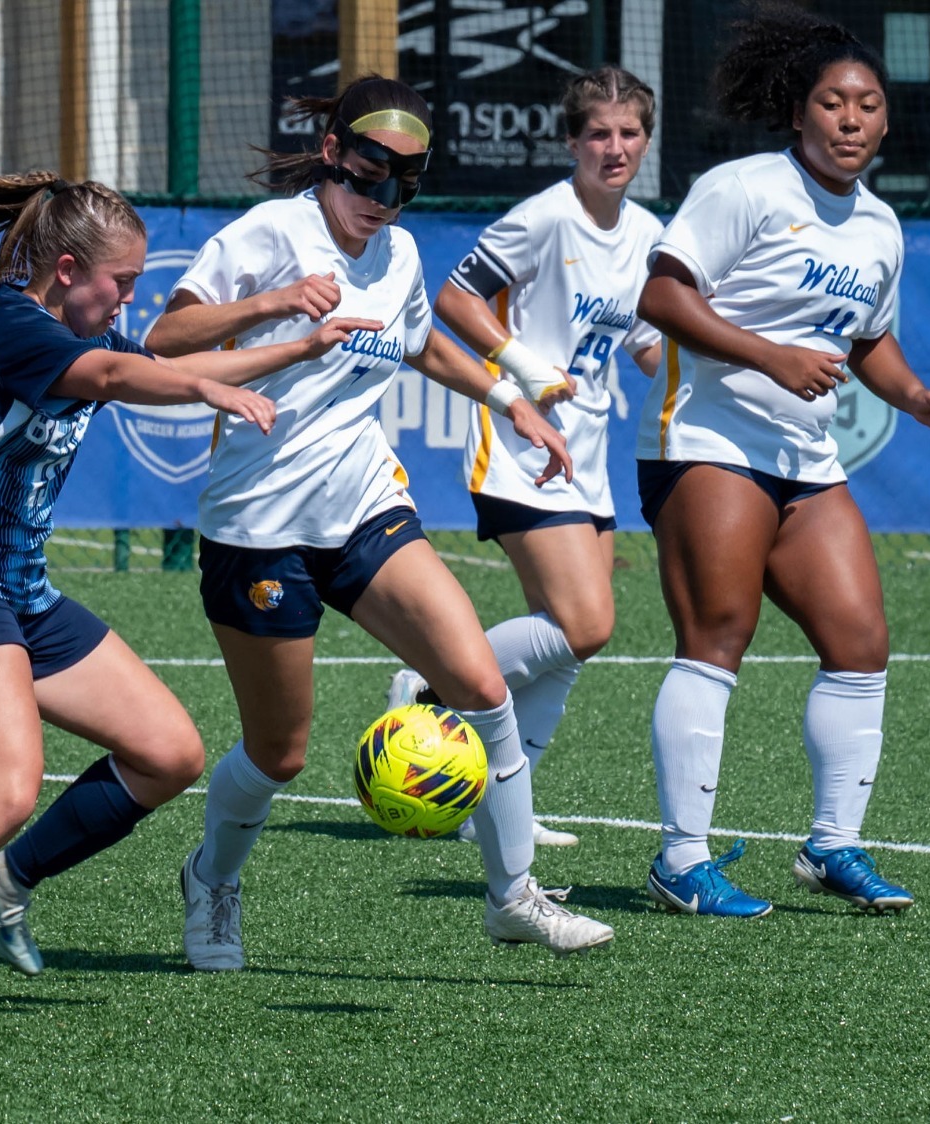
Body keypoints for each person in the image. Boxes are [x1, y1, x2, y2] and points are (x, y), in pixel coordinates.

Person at [0, 165, 378, 1025]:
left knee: (169, 753)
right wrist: (207, 385)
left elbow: (148, 355)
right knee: (7, 788)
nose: (128, 301)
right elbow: (130, 377)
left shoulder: (65, 328)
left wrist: (296, 342)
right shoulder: (15, 326)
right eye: (120, 283)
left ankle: (10, 881)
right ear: (69, 271)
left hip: (22, 595)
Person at [143, 76, 616, 970]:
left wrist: (508, 398)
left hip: (364, 505)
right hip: (258, 526)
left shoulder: (396, 252)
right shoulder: (268, 234)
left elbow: (420, 338)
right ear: (332, 152)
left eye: (402, 185)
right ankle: (212, 878)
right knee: (279, 754)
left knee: (482, 685)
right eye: (367, 175)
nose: (380, 199)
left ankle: (513, 897)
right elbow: (167, 339)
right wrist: (274, 303)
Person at [633, 3, 930, 918]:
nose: (850, 119)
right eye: (832, 103)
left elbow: (869, 343)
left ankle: (832, 847)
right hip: (708, 442)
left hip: (805, 459)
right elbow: (662, 297)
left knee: (860, 645)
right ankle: (681, 860)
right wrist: (770, 354)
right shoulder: (745, 189)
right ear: (799, 113)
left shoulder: (880, 227)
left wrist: (916, 397)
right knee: (717, 642)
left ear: (886, 119)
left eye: (866, 104)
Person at [393, 66, 668, 850]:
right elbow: (453, 299)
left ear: (646, 140)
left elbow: (644, 346)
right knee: (587, 624)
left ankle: (500, 808)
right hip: (519, 448)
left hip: (588, 456)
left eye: (629, 133)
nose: (614, 148)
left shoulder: (648, 234)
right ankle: (430, 684)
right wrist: (519, 362)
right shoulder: (546, 218)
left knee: (569, 641)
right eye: (598, 134)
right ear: (573, 140)